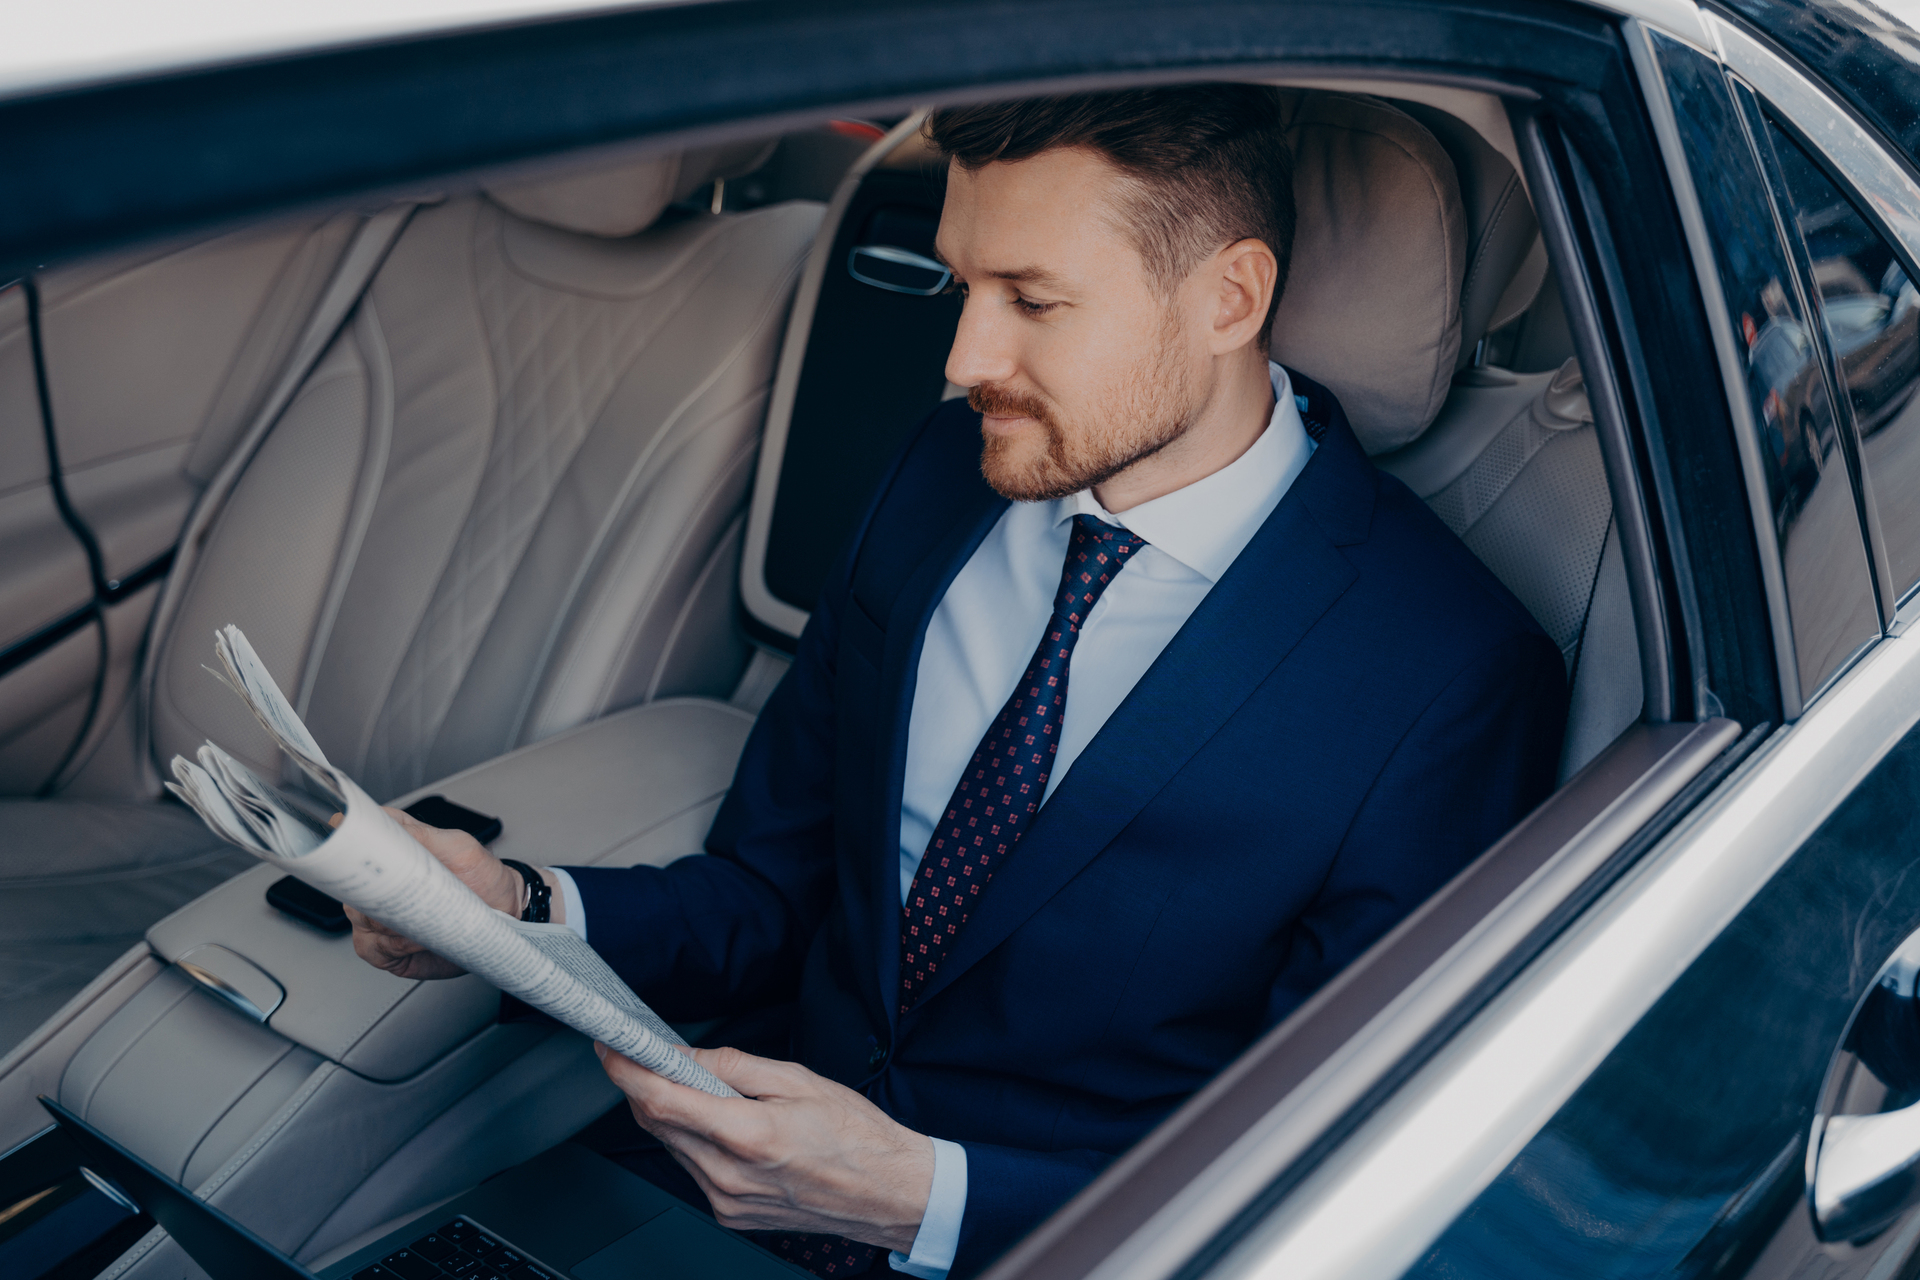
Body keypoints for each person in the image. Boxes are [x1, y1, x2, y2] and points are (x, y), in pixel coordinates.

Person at [348, 85, 1567, 1280]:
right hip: (705, 1184)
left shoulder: (1446, 676)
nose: (964, 355)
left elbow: (1326, 1163)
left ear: (1229, 298)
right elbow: (773, 888)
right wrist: (514, 910)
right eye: (962, 284)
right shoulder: (943, 474)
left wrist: (917, 1198)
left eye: (1033, 300)